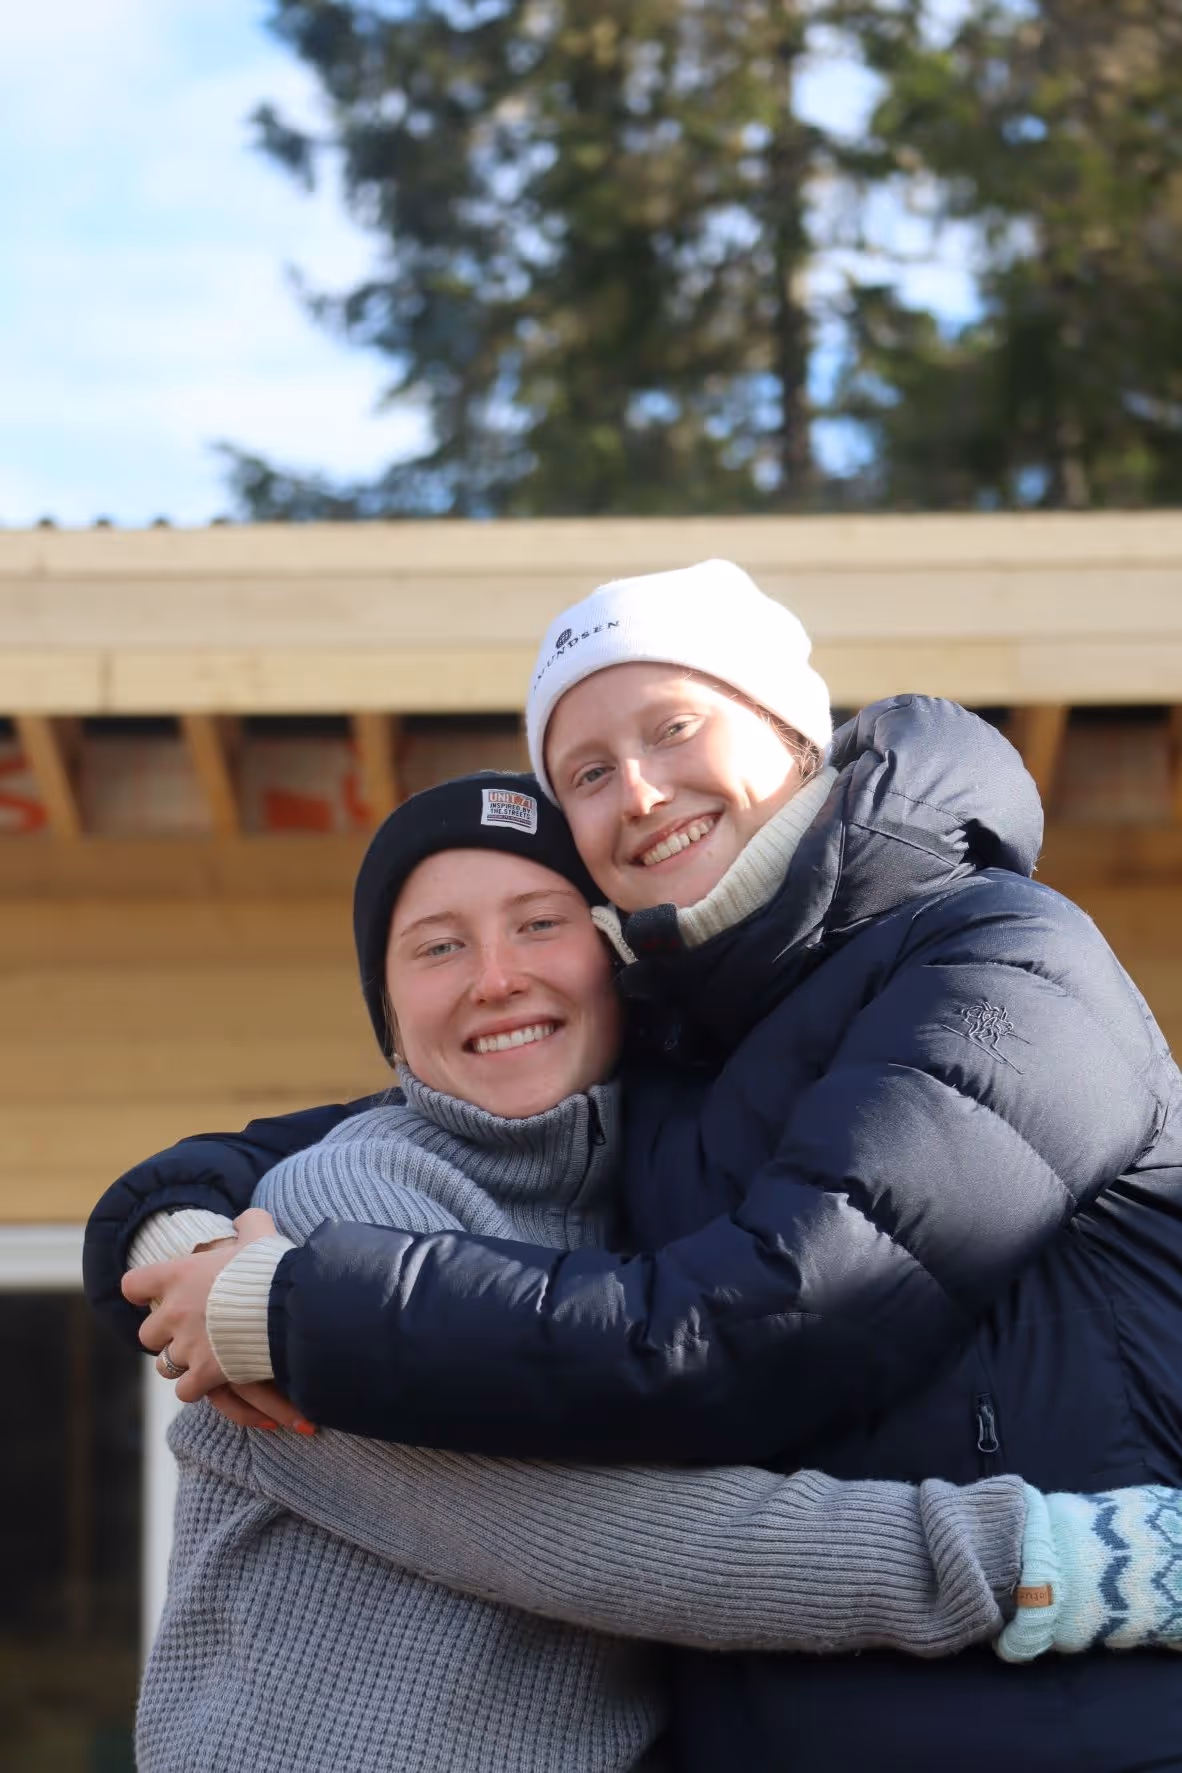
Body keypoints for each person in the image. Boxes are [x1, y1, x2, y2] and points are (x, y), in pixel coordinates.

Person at [90, 563, 1182, 1772]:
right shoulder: (680, 1039)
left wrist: (290, 1309)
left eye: (673, 728)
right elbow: (382, 1129)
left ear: (792, 731)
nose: (643, 791)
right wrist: (170, 1220)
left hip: (1073, 1729)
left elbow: (779, 1318)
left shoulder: (999, 959)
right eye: (588, 773)